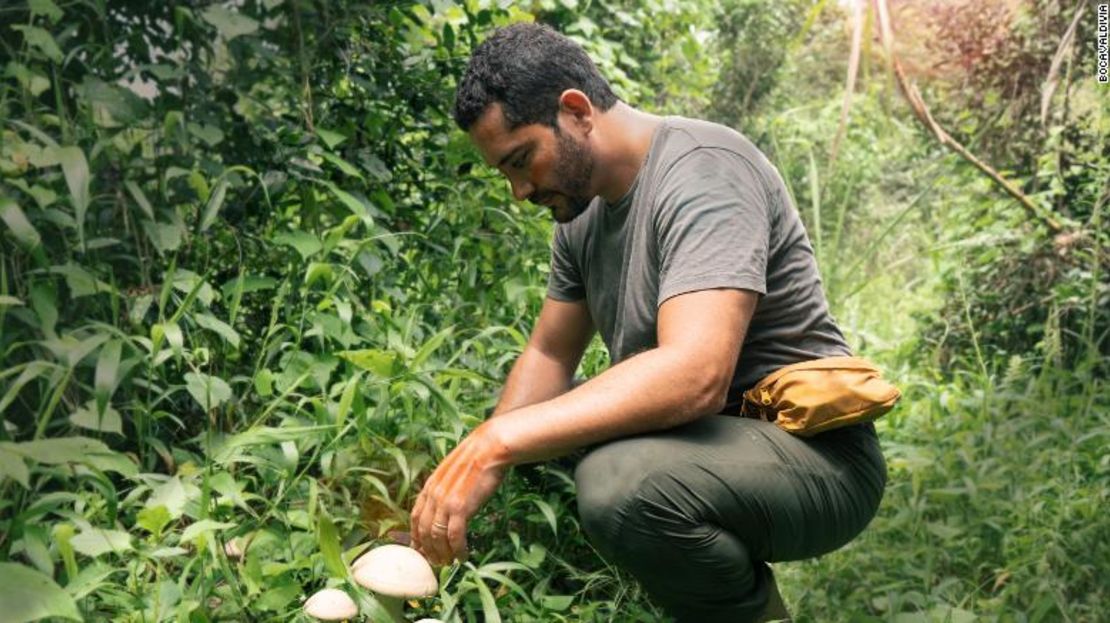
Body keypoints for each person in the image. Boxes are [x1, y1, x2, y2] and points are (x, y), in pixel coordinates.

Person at [409, 22, 887, 622]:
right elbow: (550, 357)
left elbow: (694, 375)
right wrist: (480, 465)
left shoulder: (705, 171)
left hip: (818, 460)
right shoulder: (580, 216)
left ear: (576, 111)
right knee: (529, 433)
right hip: (702, 442)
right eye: (505, 172)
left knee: (617, 484)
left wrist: (498, 443)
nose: (518, 190)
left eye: (522, 159)